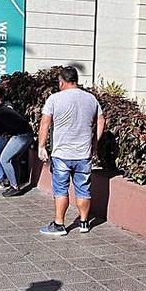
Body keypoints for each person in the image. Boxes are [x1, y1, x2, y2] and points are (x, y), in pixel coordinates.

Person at [37, 67, 105, 235]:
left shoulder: (54, 99)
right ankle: (83, 223)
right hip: (84, 154)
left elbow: (45, 123)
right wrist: (94, 142)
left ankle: (59, 224)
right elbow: (101, 120)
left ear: (61, 82)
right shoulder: (91, 99)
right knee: (83, 189)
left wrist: (41, 146)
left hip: (61, 154)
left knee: (61, 189)